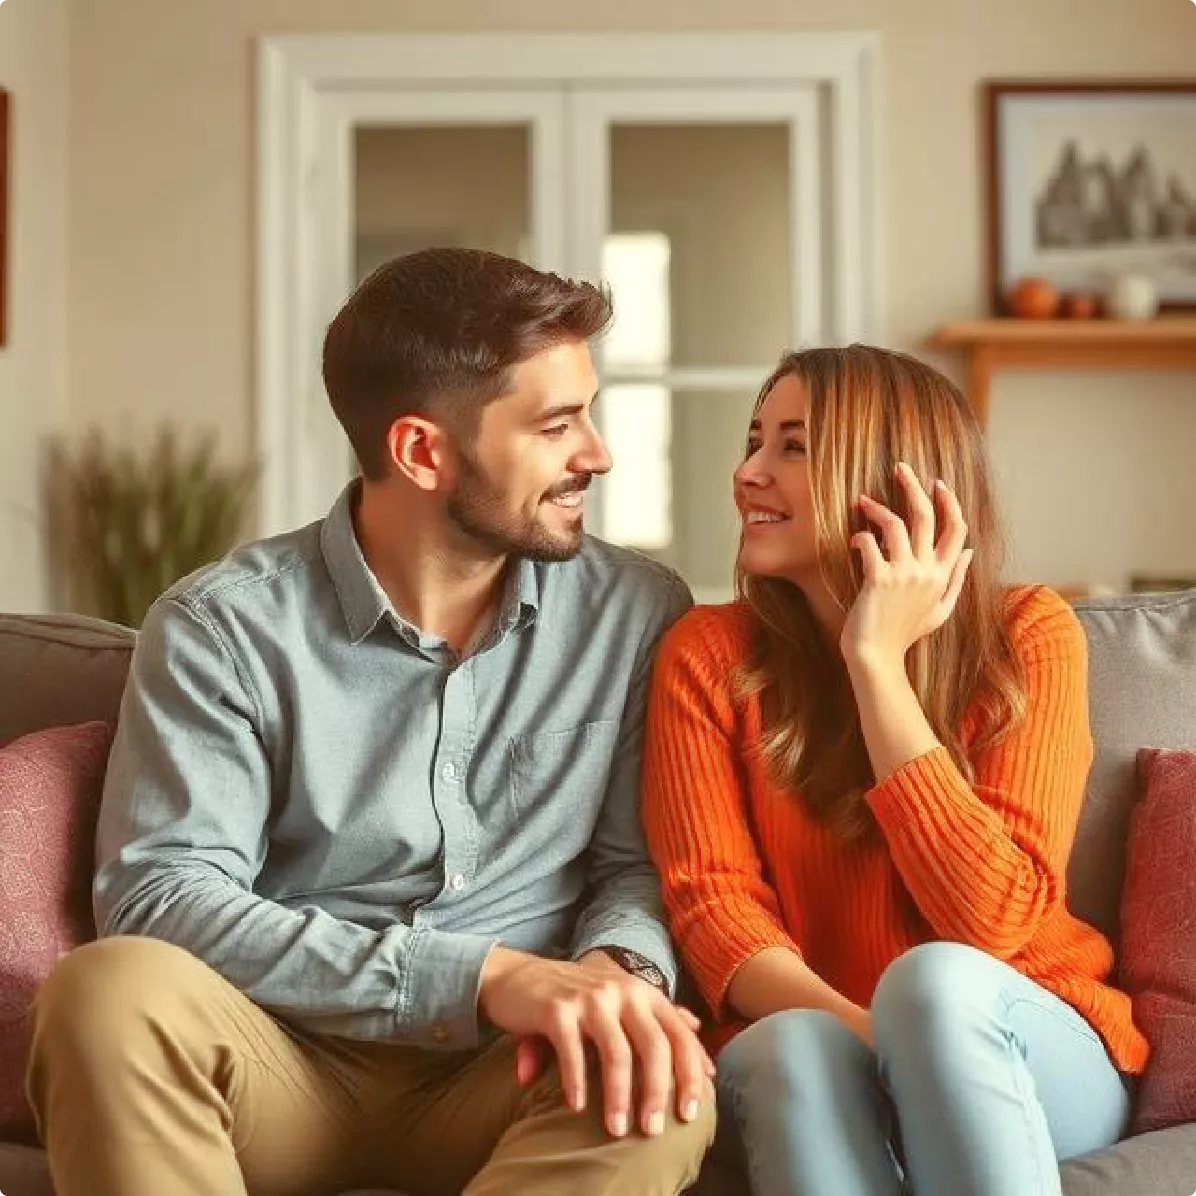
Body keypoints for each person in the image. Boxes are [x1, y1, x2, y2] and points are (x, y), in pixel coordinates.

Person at [27, 247, 716, 1196]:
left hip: (506, 1071)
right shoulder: (221, 625)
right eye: (557, 426)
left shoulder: (633, 612)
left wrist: (614, 973)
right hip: (280, 1055)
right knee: (105, 994)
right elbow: (164, 895)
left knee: (660, 1082)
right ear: (421, 451)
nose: (596, 453)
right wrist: (479, 976)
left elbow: (636, 864)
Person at [641, 344, 1148, 1196]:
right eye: (753, 440)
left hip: (1025, 1047)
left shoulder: (1028, 633)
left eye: (792, 447)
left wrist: (875, 661)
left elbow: (991, 922)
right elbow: (716, 914)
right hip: (832, 1047)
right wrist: (880, 1040)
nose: (748, 472)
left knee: (938, 985)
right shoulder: (707, 653)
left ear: (890, 478)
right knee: (787, 1044)